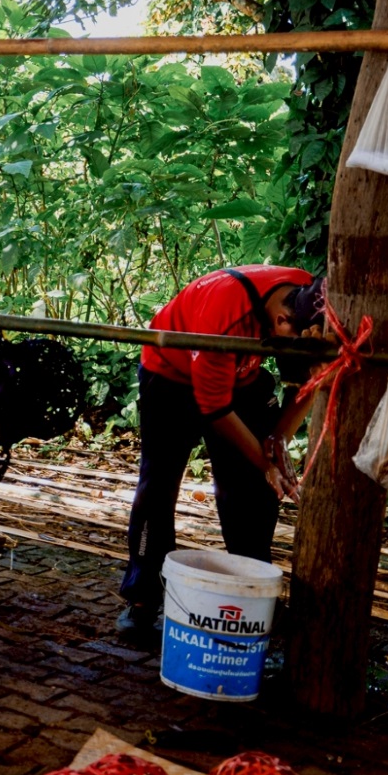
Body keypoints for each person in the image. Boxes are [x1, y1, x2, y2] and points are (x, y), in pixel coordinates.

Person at [115, 266, 327, 646]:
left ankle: (251, 588)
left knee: (253, 489)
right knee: (159, 483)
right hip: (171, 373)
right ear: (281, 320)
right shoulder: (224, 317)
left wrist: (275, 443)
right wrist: (266, 462)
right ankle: (143, 595)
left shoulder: (305, 293)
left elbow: (311, 379)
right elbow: (214, 409)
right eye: (302, 339)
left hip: (242, 376)